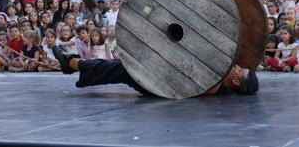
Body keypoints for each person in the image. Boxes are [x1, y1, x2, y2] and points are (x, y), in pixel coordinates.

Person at [52, 47, 258, 96]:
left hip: (159, 85)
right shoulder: (219, 80)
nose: (236, 66)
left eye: (239, 71)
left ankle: (71, 64)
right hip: (163, 77)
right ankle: (71, 64)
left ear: (237, 82)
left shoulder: (215, 86)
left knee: (121, 68)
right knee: (117, 68)